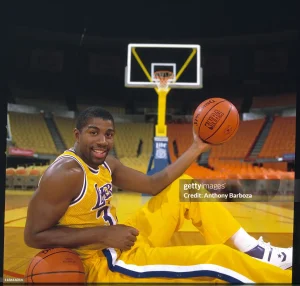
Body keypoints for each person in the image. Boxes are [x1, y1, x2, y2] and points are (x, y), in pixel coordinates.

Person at [24, 106, 292, 284]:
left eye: (109, 134)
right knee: (217, 257)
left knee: (183, 188)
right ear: (77, 134)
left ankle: (256, 252)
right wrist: (103, 235)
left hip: (120, 241)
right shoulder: (65, 173)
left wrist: (197, 147)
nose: (103, 141)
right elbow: (33, 235)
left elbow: (154, 184)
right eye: (93, 133)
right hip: (102, 264)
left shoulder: (108, 163)